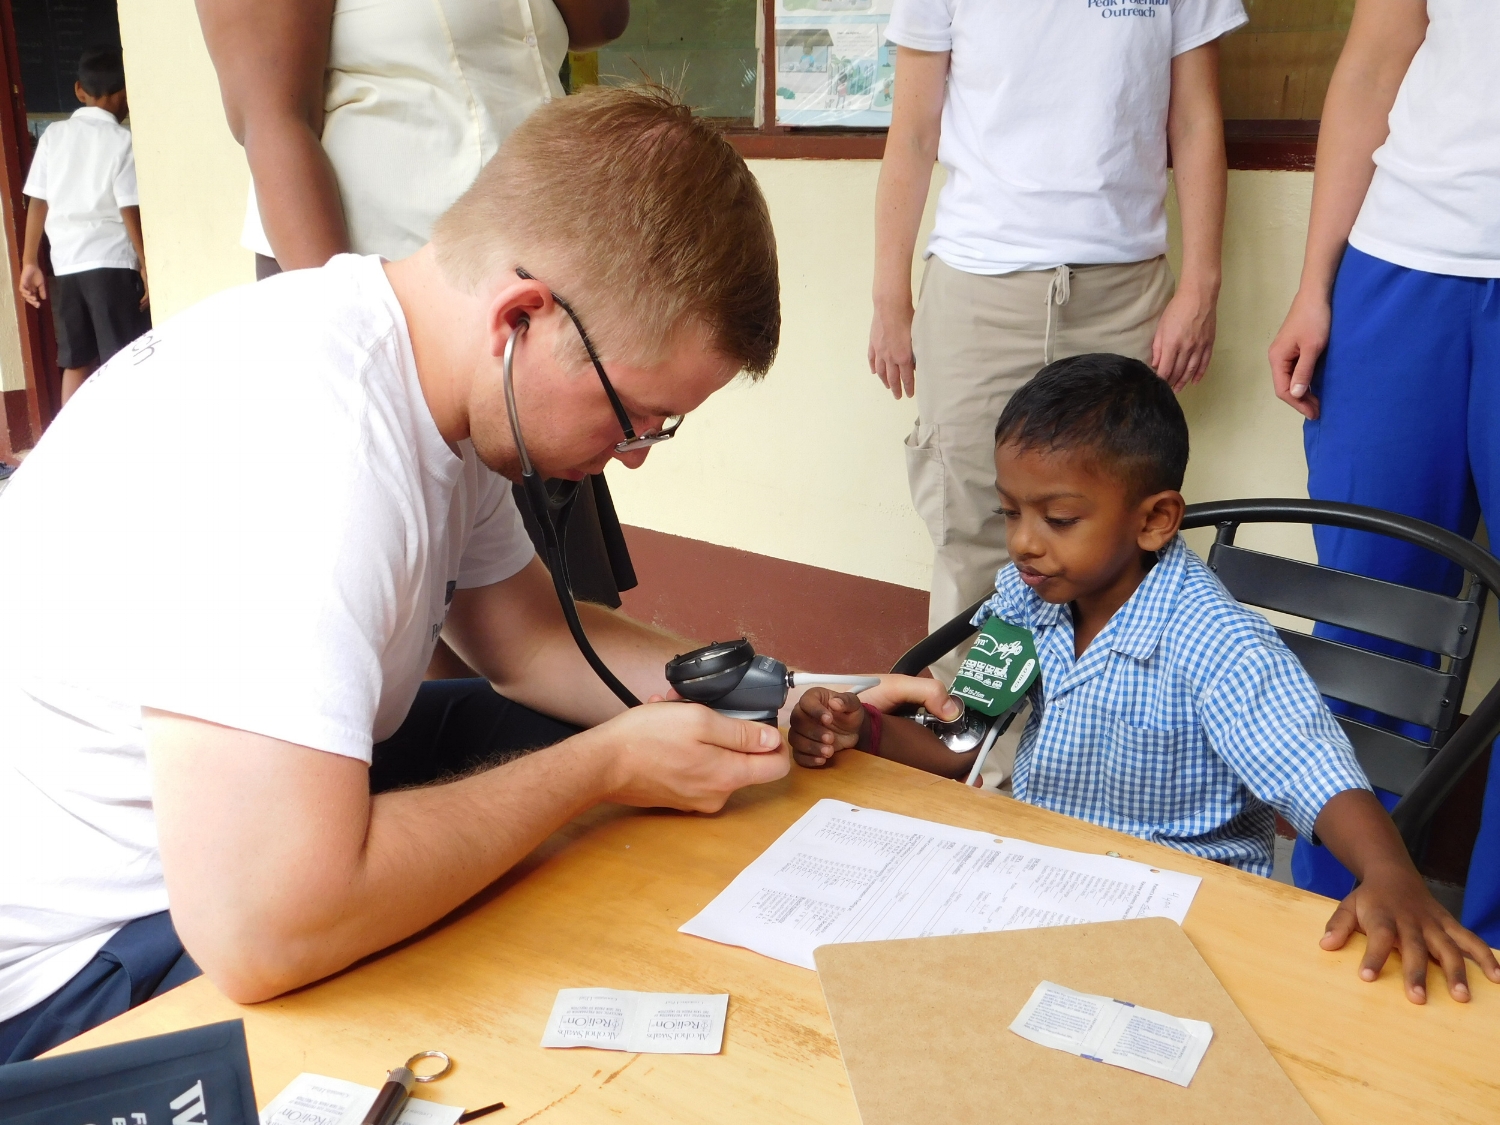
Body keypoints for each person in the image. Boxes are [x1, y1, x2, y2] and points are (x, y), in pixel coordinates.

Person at [0, 85, 885, 1063]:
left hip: (218, 827)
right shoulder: (309, 452)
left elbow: (534, 643)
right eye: (634, 415)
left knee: (556, 739)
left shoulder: (412, 365)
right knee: (533, 906)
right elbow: (258, 933)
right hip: (82, 969)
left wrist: (793, 692)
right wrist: (601, 770)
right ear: (522, 317)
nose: (635, 454)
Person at [790, 354, 1500, 1005]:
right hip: (1037, 888)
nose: (1023, 542)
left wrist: (1389, 873)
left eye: (1058, 518)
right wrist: (869, 728)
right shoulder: (1028, 599)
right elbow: (959, 745)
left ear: (1155, 519)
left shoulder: (1213, 641)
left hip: (1185, 918)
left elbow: (1312, 768)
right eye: (1010, 511)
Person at [198, 0, 635, 615]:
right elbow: (270, 121)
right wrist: (352, 350)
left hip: (527, 300)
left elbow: (600, 22)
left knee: (550, 620)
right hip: (386, 304)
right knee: (424, 637)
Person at [873, 0, 1243, 679]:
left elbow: (1193, 121)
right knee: (975, 527)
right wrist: (889, 297)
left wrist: (1201, 286)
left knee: (1113, 534)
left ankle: (1089, 741)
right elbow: (915, 129)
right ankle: (975, 749)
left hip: (1123, 287)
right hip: (978, 286)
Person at [1266, 1, 1500, 943]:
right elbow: (1374, 63)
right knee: (1369, 622)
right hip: (1401, 264)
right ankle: (1333, 916)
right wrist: (1316, 284)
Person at [17, 46, 149, 405]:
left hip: (67, 266)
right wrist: (146, 262)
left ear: (79, 91)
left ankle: (67, 448)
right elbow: (128, 207)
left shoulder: (53, 137)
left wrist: (30, 262)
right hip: (112, 265)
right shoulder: (122, 140)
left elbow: (38, 200)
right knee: (123, 358)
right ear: (126, 93)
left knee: (76, 362)